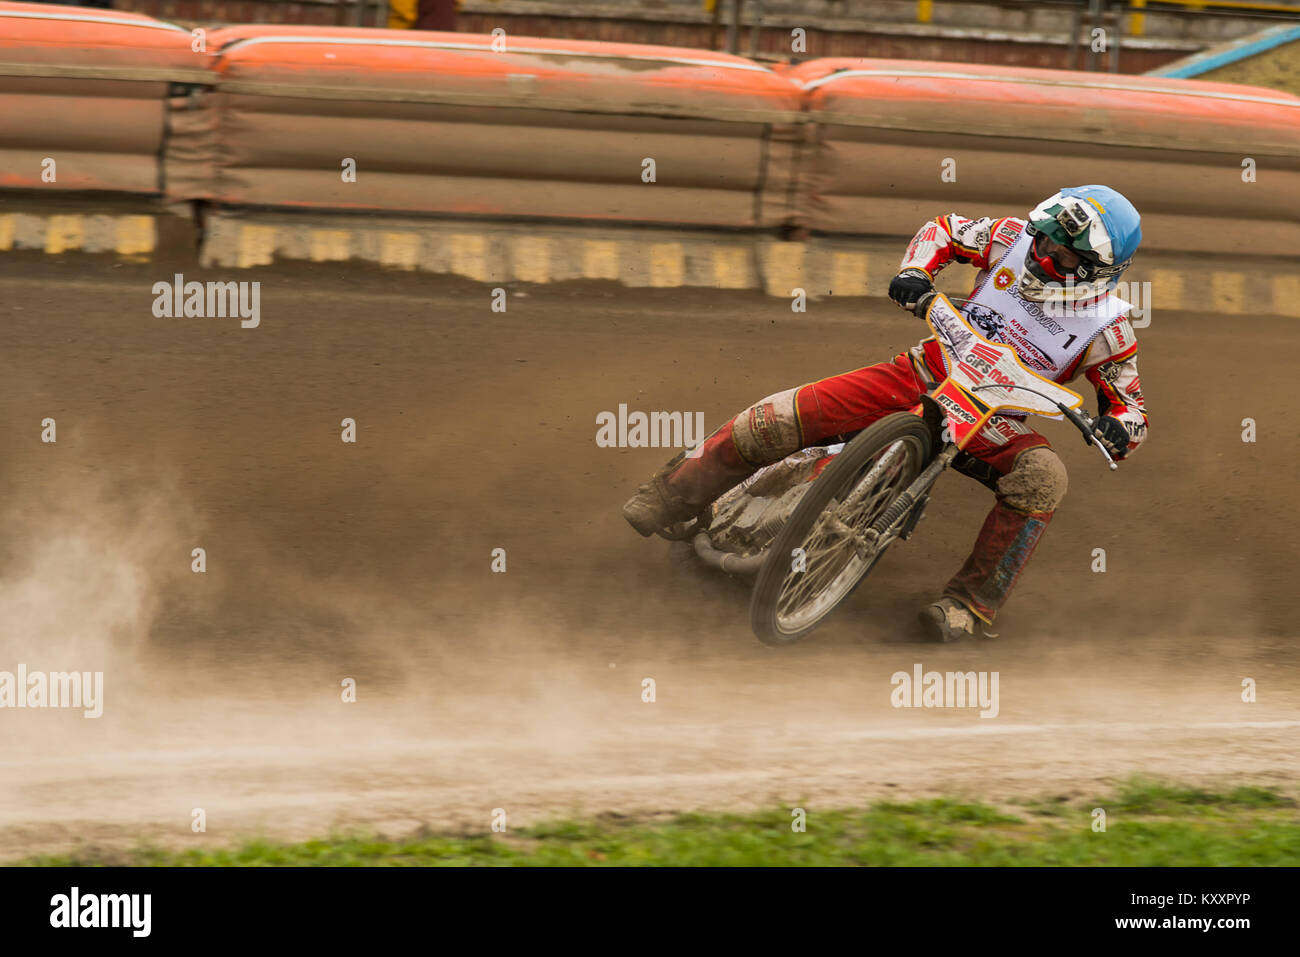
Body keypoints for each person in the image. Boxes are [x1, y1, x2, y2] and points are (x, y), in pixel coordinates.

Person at [622, 185, 1148, 642]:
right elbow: (943, 229)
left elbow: (1133, 408)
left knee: (1044, 479)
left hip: (995, 422)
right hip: (920, 374)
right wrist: (917, 271)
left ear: (1100, 271)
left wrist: (1117, 429)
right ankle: (669, 497)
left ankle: (970, 604)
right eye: (1047, 236)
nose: (1045, 251)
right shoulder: (1011, 238)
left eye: (1063, 250)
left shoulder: (1110, 331)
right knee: (775, 418)